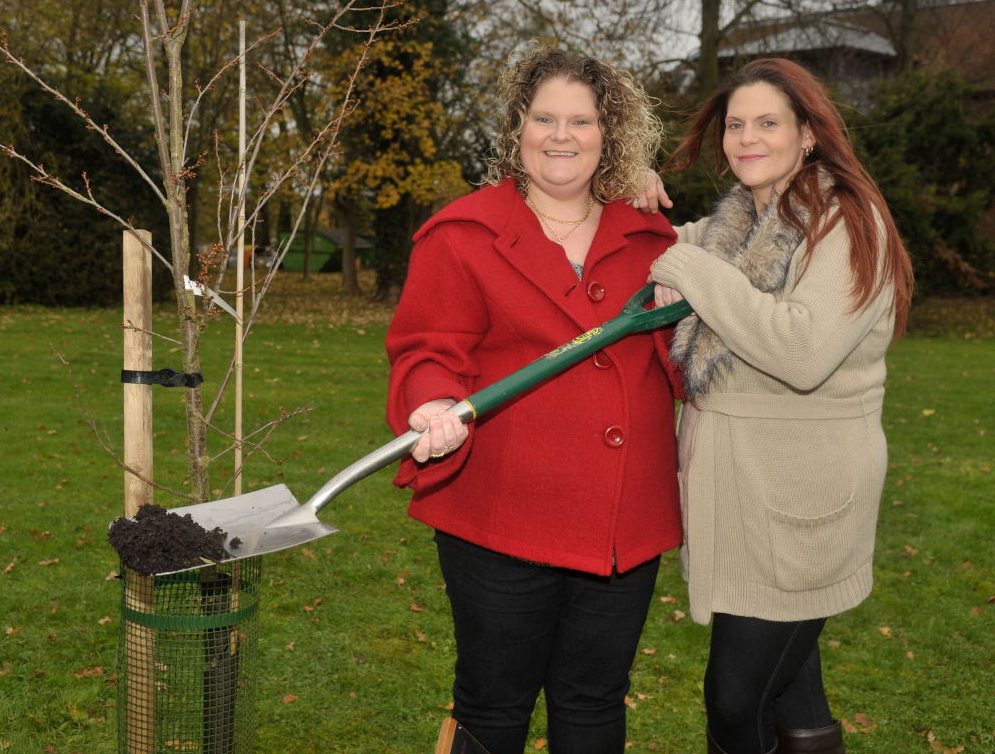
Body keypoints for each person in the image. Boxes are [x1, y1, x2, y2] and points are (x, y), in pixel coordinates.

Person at [385, 46, 683, 754]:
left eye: (581, 121)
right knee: (492, 705)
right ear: (517, 128)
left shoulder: (653, 238)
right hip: (502, 517)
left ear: (609, 135)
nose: (560, 135)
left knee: (592, 702)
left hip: (623, 522)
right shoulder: (463, 235)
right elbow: (427, 349)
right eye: (543, 117)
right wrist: (431, 403)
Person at [648, 58, 914, 754]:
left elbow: (801, 350)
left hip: (799, 502)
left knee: (735, 702)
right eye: (736, 124)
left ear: (808, 137)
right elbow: (647, 247)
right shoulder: (738, 227)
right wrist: (633, 196)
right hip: (742, 495)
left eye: (768, 122)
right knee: (793, 691)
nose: (745, 137)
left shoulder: (848, 226)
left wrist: (690, 269)